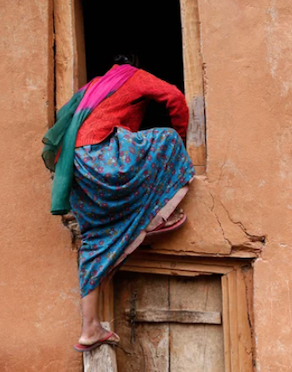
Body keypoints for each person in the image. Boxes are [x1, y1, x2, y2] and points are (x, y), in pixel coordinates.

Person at [42, 55, 194, 352]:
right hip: (103, 155)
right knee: (168, 140)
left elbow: (63, 117)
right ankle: (157, 218)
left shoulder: (93, 88)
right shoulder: (133, 76)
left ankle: (89, 329)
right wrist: (184, 137)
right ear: (132, 64)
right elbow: (174, 97)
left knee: (96, 239)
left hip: (75, 167)